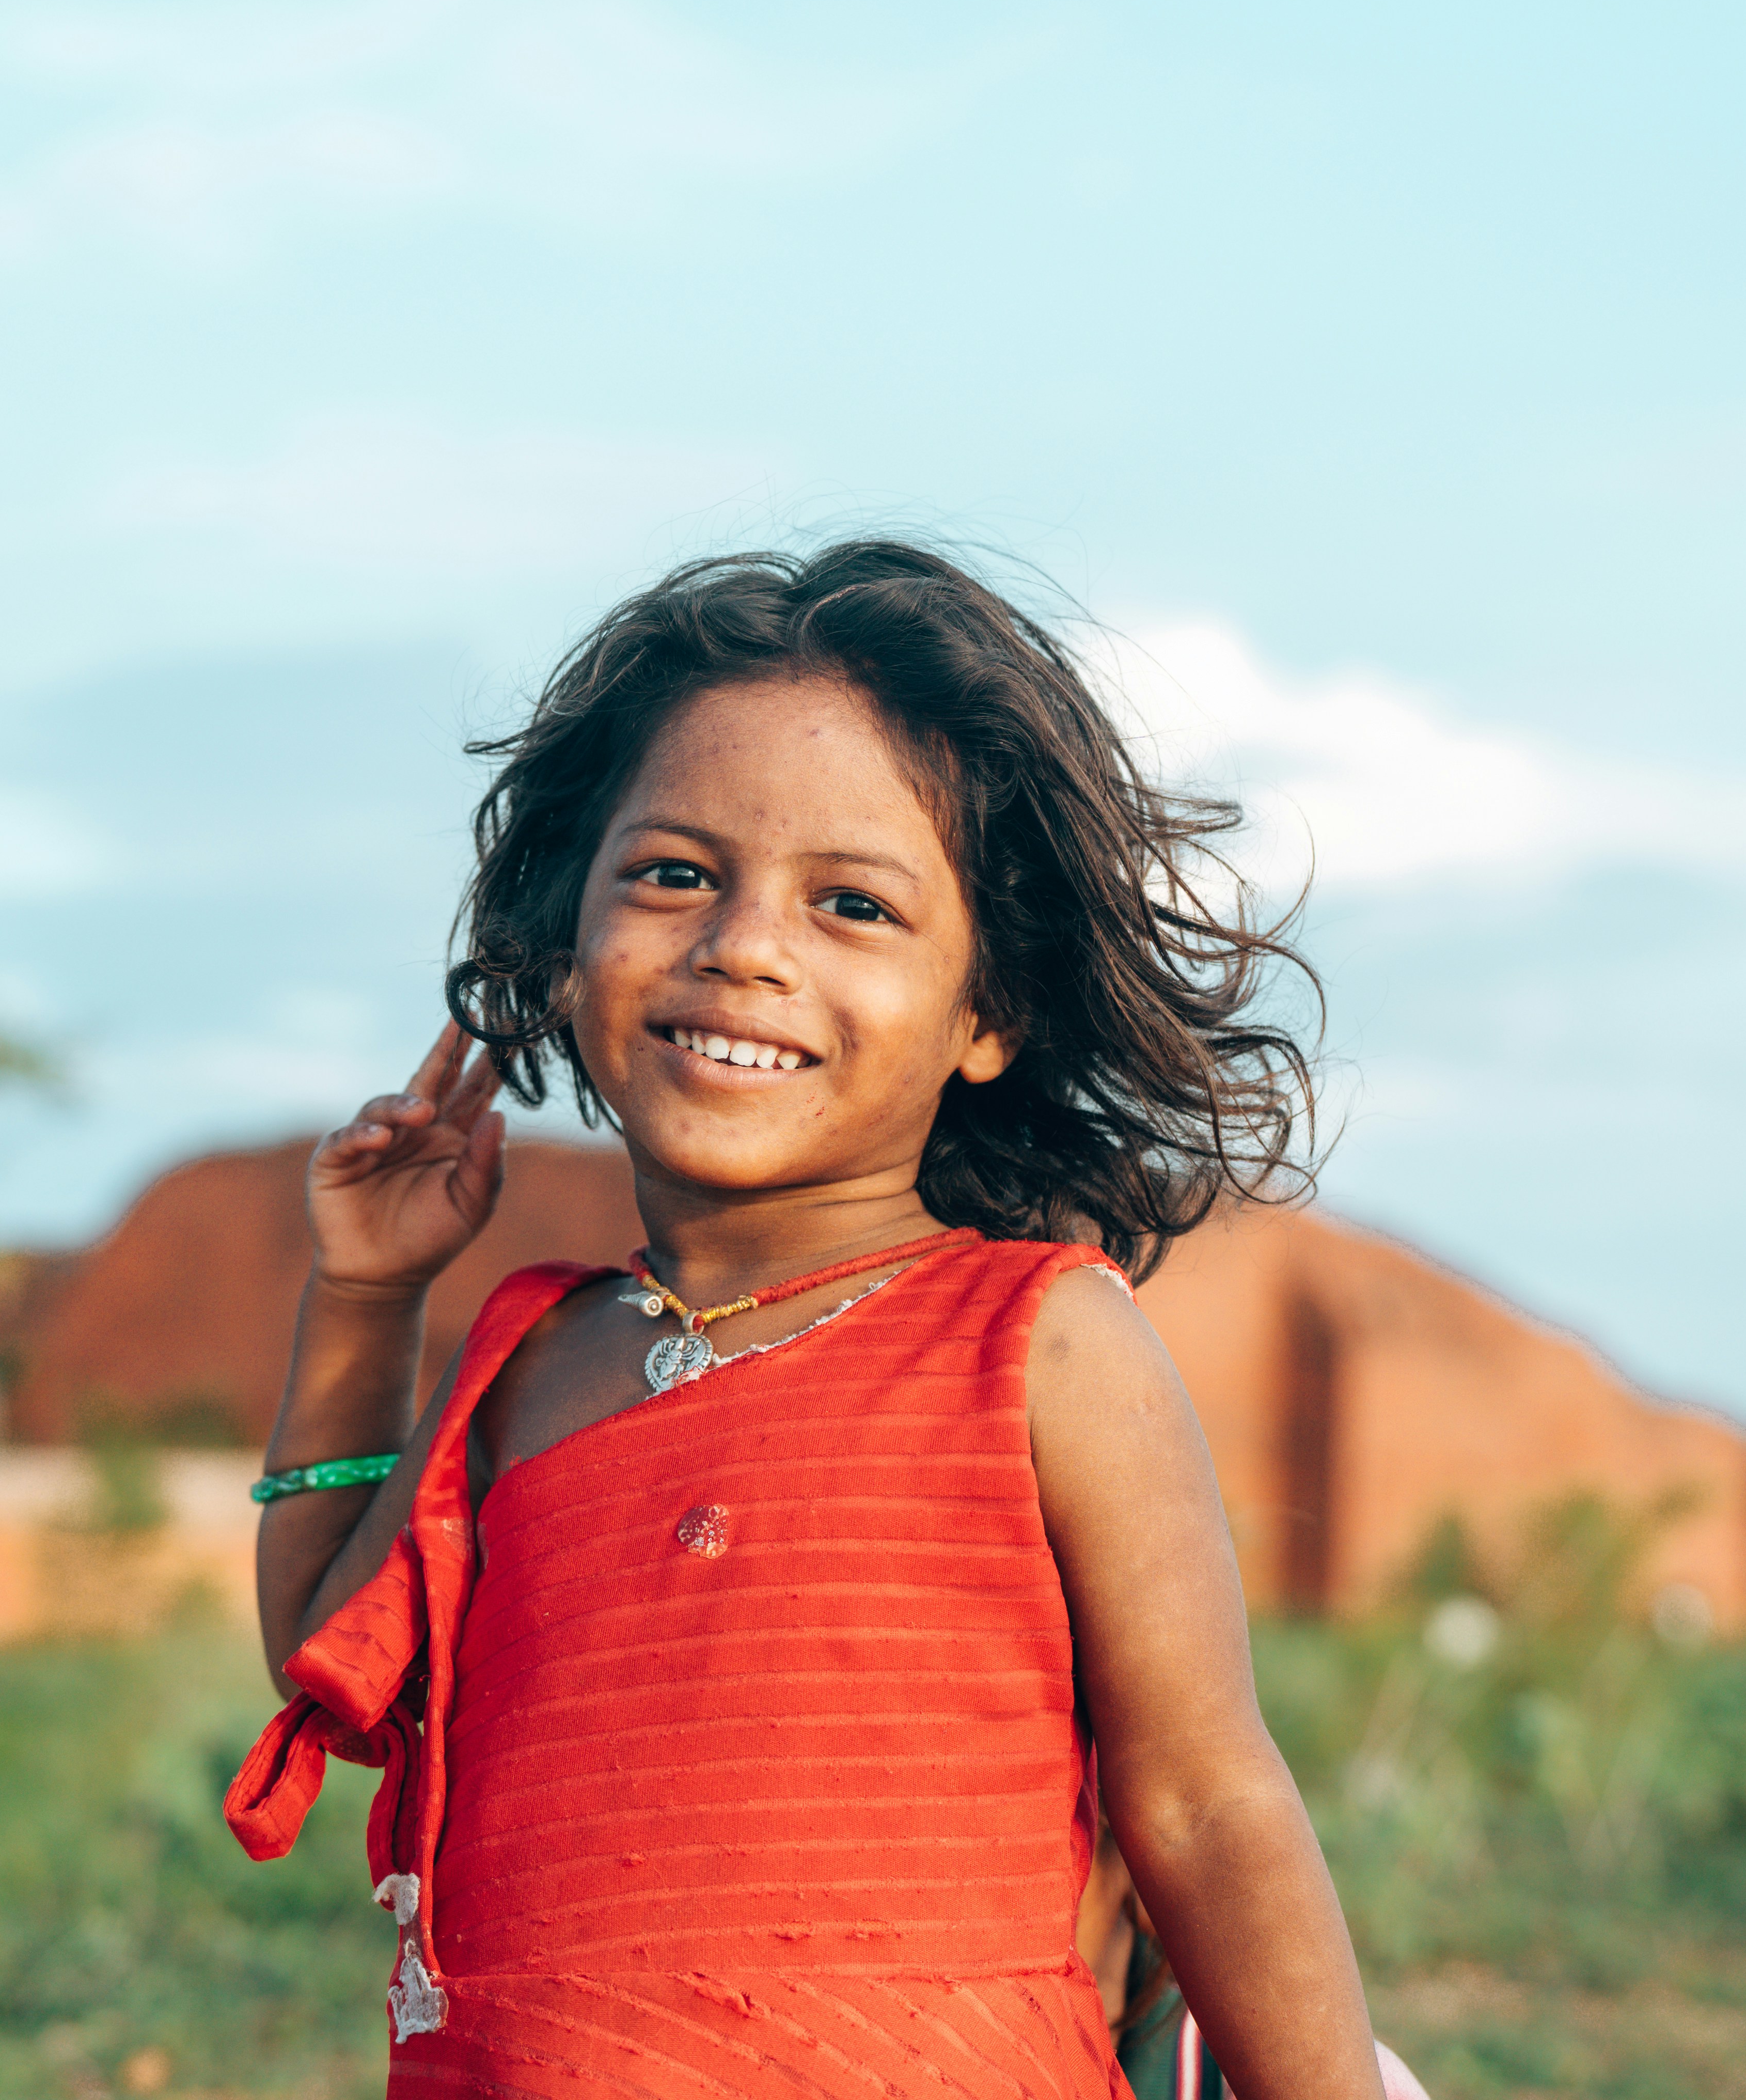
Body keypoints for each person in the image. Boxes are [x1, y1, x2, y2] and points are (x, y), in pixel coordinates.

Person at [226, 542, 1407, 2098]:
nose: (746, 947)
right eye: (672, 874)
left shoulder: (1038, 1341)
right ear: (565, 928)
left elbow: (1203, 1804)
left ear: (989, 1016)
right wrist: (368, 1299)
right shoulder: (528, 1358)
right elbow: (325, 1640)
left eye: (852, 904)